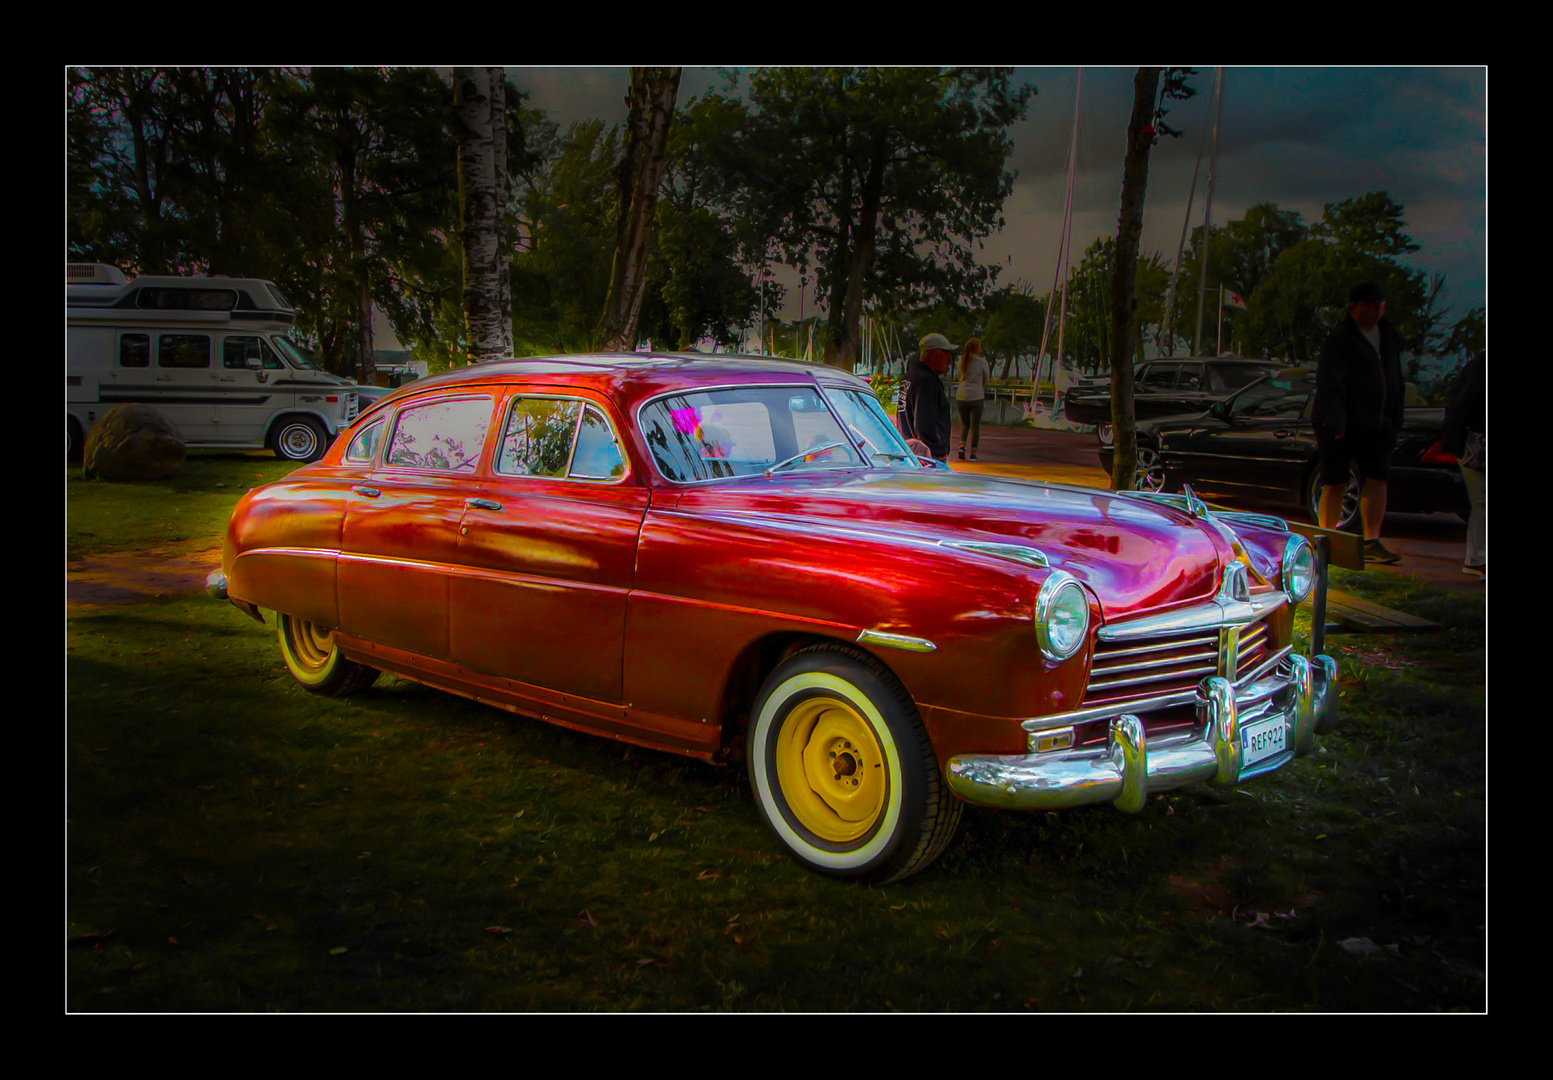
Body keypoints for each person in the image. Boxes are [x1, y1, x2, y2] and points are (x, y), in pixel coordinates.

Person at [1312, 282, 1406, 565]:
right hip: (1343, 425)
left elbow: (1394, 378)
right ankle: (1325, 539)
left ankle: (1371, 541)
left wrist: (1394, 419)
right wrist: (1335, 423)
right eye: (1371, 304)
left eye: (1380, 303)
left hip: (1378, 425)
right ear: (1355, 307)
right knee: (1335, 481)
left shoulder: (1388, 336)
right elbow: (1330, 383)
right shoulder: (1341, 339)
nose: (1377, 309)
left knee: (1377, 479)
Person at [1442, 350, 1485, 577]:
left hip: (1474, 444)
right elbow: (1461, 406)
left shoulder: (1478, 365)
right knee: (1482, 501)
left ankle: (1477, 558)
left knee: (1482, 502)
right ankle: (1477, 558)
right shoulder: (1480, 366)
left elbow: (1459, 405)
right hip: (1478, 445)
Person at [899, 332, 956, 463]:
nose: (949, 358)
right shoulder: (927, 380)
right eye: (945, 352)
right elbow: (924, 423)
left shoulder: (909, 377)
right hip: (927, 456)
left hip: (910, 452)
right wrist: (939, 451)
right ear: (931, 355)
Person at [954, 337, 989, 461]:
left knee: (964, 424)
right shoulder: (981, 362)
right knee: (975, 426)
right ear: (977, 348)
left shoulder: (962, 361)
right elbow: (986, 379)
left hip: (962, 395)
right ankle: (973, 453)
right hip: (976, 396)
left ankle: (961, 446)